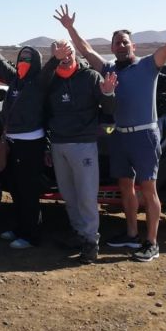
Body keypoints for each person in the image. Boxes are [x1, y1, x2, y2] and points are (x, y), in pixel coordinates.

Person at [55, 0, 166, 262]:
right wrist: (70, 28)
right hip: (118, 135)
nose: (121, 45)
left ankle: (151, 242)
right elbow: (86, 49)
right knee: (125, 187)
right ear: (113, 48)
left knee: (148, 189)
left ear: (133, 45)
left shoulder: (149, 65)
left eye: (125, 42)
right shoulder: (108, 68)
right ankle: (130, 233)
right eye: (117, 42)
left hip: (144, 135)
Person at [0, 25, 47, 248]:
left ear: (36, 63)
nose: (23, 62)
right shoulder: (15, 80)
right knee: (14, 187)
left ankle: (31, 235)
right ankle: (20, 228)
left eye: (28, 59)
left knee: (28, 190)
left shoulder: (39, 83)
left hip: (31, 144)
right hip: (13, 141)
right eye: (21, 58)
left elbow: (51, 68)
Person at [43, 40, 117, 264]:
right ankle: (79, 234)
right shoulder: (51, 82)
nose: (65, 56)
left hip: (83, 144)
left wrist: (108, 94)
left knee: (86, 194)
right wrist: (48, 144)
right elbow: (45, 114)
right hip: (58, 144)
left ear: (75, 54)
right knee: (68, 194)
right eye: (60, 52)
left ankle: (90, 242)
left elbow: (109, 110)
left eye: (69, 52)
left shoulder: (90, 77)